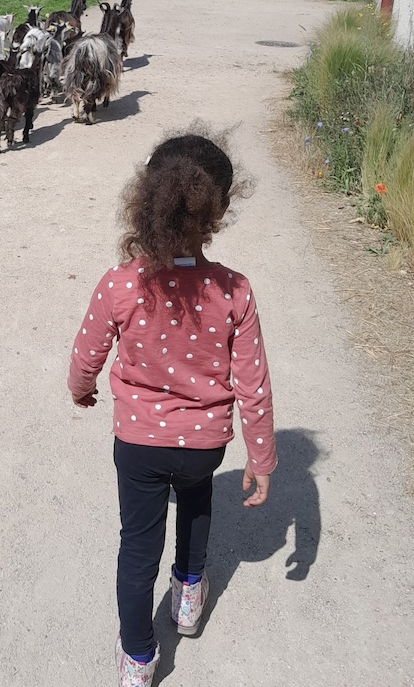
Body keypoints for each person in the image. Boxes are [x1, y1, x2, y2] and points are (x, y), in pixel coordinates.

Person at [67, 132, 277, 687]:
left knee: (137, 546)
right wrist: (261, 457)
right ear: (218, 211)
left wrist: (82, 387)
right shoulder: (235, 290)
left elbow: (87, 351)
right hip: (204, 446)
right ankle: (189, 596)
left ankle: (138, 658)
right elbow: (253, 384)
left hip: (137, 445)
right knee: (197, 500)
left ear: (146, 199)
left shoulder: (121, 283)